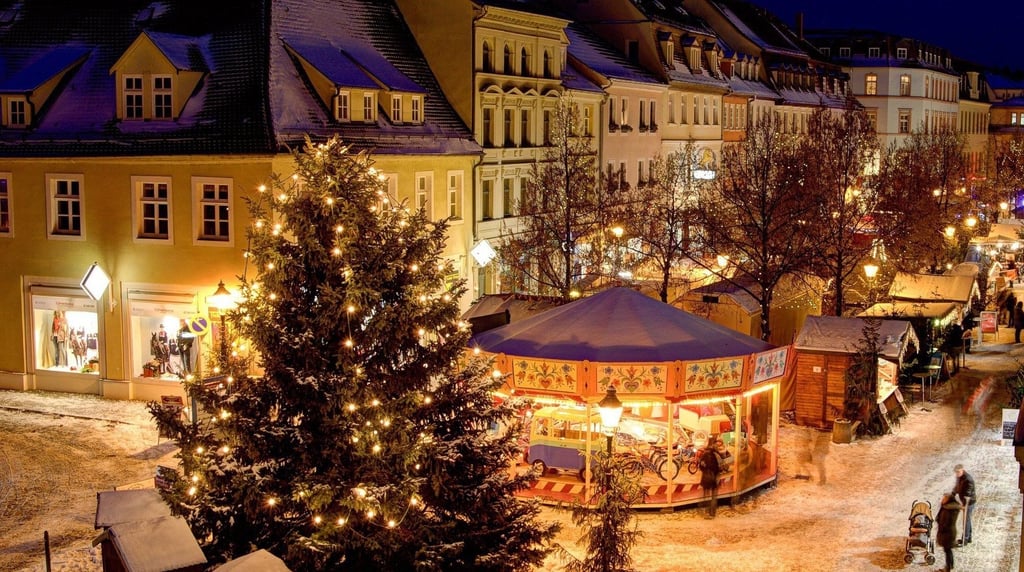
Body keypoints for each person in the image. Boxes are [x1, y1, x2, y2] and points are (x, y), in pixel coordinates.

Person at [936, 492, 963, 571]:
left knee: (947, 550)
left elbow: (945, 522)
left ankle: (948, 568)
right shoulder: (948, 508)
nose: (942, 500)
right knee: (947, 550)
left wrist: (942, 529)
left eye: (944, 498)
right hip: (948, 532)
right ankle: (950, 565)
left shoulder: (949, 510)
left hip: (947, 533)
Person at [953, 464, 977, 545]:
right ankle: (969, 537)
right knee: (967, 520)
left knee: (966, 521)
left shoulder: (968, 479)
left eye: (958, 472)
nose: (957, 474)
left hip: (969, 502)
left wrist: (965, 503)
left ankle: (965, 539)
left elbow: (968, 492)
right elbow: (957, 487)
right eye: (956, 472)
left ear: (962, 470)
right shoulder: (959, 477)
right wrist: (953, 493)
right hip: (964, 501)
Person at [698, 439, 722, 518]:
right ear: (713, 445)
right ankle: (712, 513)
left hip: (705, 477)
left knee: (706, 495)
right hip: (714, 477)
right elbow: (720, 467)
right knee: (713, 496)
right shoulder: (716, 455)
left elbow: (700, 465)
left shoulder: (704, 454)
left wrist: (705, 470)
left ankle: (706, 513)